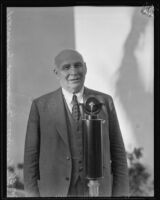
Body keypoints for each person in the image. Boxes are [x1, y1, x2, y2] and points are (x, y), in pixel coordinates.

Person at [24, 49, 129, 197]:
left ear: (85, 67)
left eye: (78, 65)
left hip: (97, 190)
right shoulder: (41, 106)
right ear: (56, 72)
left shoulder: (104, 102)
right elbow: (30, 160)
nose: (73, 72)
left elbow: (118, 153)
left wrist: (121, 195)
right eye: (66, 67)